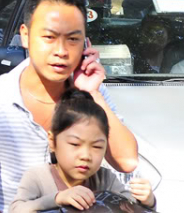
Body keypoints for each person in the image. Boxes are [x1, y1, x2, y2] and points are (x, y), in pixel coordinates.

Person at [0, 0, 139, 213]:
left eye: (73, 39)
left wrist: (93, 93)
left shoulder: (93, 96)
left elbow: (127, 162)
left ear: (85, 45)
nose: (61, 50)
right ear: (25, 35)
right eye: (49, 37)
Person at [10, 89, 156, 212]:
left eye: (97, 147)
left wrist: (147, 202)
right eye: (75, 144)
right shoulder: (38, 177)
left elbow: (127, 205)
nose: (86, 156)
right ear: (52, 141)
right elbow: (16, 209)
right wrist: (57, 198)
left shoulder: (105, 179)